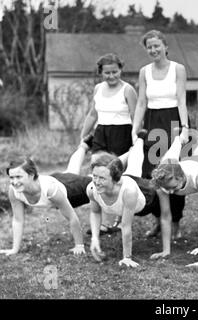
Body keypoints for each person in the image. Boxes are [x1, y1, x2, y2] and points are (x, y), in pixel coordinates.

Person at [131, 30, 189, 236]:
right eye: (149, 47)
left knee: (173, 172)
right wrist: (135, 128)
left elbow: (182, 99)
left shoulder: (178, 69)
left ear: (165, 46)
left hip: (174, 122)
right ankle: (158, 221)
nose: (153, 50)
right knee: (152, 174)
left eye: (157, 45)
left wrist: (185, 128)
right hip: (152, 122)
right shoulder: (144, 71)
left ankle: (175, 223)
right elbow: (141, 103)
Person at [87, 136, 174, 267]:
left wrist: (127, 257)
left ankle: (146, 142)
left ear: (115, 179)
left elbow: (126, 226)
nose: (97, 182)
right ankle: (139, 140)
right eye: (95, 176)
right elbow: (94, 212)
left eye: (102, 178)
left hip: (146, 195)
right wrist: (95, 238)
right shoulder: (92, 189)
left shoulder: (129, 191)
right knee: (134, 166)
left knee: (146, 176)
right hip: (127, 181)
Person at [80, 53, 137, 231]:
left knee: (117, 176)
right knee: (97, 176)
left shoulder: (128, 89)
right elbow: (92, 114)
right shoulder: (98, 88)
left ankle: (120, 220)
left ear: (121, 70)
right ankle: (103, 221)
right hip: (101, 133)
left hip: (122, 133)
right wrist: (83, 135)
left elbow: (136, 116)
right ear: (101, 73)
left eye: (115, 72)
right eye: (107, 73)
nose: (111, 76)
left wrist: (136, 139)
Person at [1, 157, 90, 256]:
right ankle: (84, 146)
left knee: (95, 185)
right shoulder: (13, 191)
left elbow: (71, 217)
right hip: (57, 179)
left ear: (31, 175)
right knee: (71, 172)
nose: (14, 182)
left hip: (72, 190)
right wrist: (14, 249)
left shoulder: (50, 189)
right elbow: (18, 220)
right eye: (11, 177)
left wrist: (79, 245)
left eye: (18, 177)